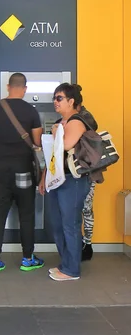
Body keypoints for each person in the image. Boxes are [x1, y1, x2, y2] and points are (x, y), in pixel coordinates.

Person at [0, 72, 44, 275]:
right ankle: (27, 258)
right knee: (26, 214)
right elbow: (37, 143)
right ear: (25, 89)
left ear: (8, 86)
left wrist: (1, 146)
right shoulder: (31, 111)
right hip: (23, 169)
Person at [40, 83, 96, 282]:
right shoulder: (60, 121)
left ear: (72, 101)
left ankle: (72, 270)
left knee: (70, 224)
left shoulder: (78, 121)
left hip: (74, 180)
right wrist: (44, 177)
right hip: (58, 178)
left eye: (59, 98)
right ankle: (66, 264)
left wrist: (56, 132)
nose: (55, 102)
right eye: (55, 98)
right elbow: (53, 155)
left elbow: (67, 145)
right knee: (57, 224)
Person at [77, 105, 98, 261]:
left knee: (86, 208)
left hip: (87, 171)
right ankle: (85, 243)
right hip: (84, 170)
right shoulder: (85, 116)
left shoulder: (83, 117)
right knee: (86, 209)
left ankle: (87, 244)